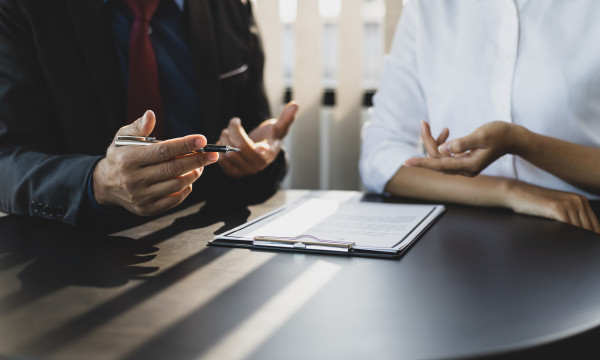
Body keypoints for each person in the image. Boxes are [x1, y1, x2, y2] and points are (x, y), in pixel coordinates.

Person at [0, 0, 298, 226]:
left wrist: (257, 156)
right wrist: (98, 181)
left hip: (208, 243)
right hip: (71, 254)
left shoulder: (229, 6)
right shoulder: (22, 9)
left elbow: (254, 131)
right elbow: (8, 159)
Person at [359, 0, 600, 233]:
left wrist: (520, 142)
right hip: (460, 235)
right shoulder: (427, 7)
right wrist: (510, 191)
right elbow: (379, 157)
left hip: (583, 226)